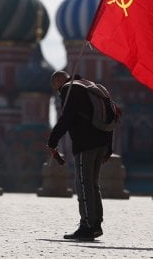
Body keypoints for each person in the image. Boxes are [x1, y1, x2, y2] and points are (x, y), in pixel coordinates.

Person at [47, 70, 113, 241]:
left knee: (83, 184)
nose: (58, 92)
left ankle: (86, 226)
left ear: (57, 83)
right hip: (101, 143)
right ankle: (96, 224)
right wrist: (109, 147)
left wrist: (52, 142)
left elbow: (66, 119)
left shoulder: (70, 90)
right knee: (92, 184)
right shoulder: (92, 87)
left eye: (56, 88)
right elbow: (111, 116)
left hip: (85, 144)